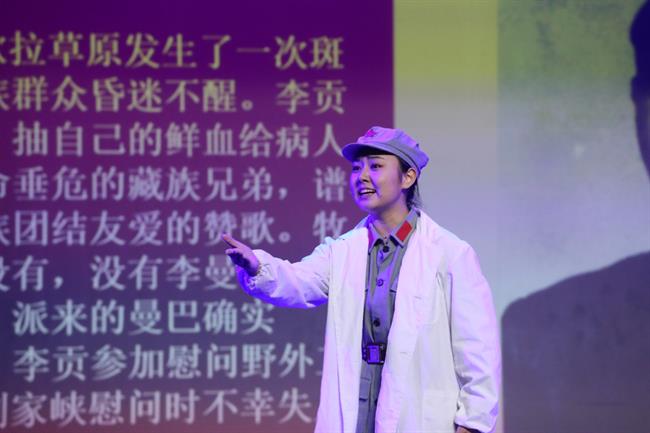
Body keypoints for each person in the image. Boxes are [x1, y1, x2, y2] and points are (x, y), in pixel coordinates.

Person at [223, 126, 500, 433]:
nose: (362, 177)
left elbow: (477, 349)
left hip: (421, 416)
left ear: (408, 177)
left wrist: (472, 424)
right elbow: (298, 281)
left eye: (376, 166)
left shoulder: (449, 253)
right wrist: (257, 265)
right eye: (356, 168)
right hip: (359, 409)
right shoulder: (343, 250)